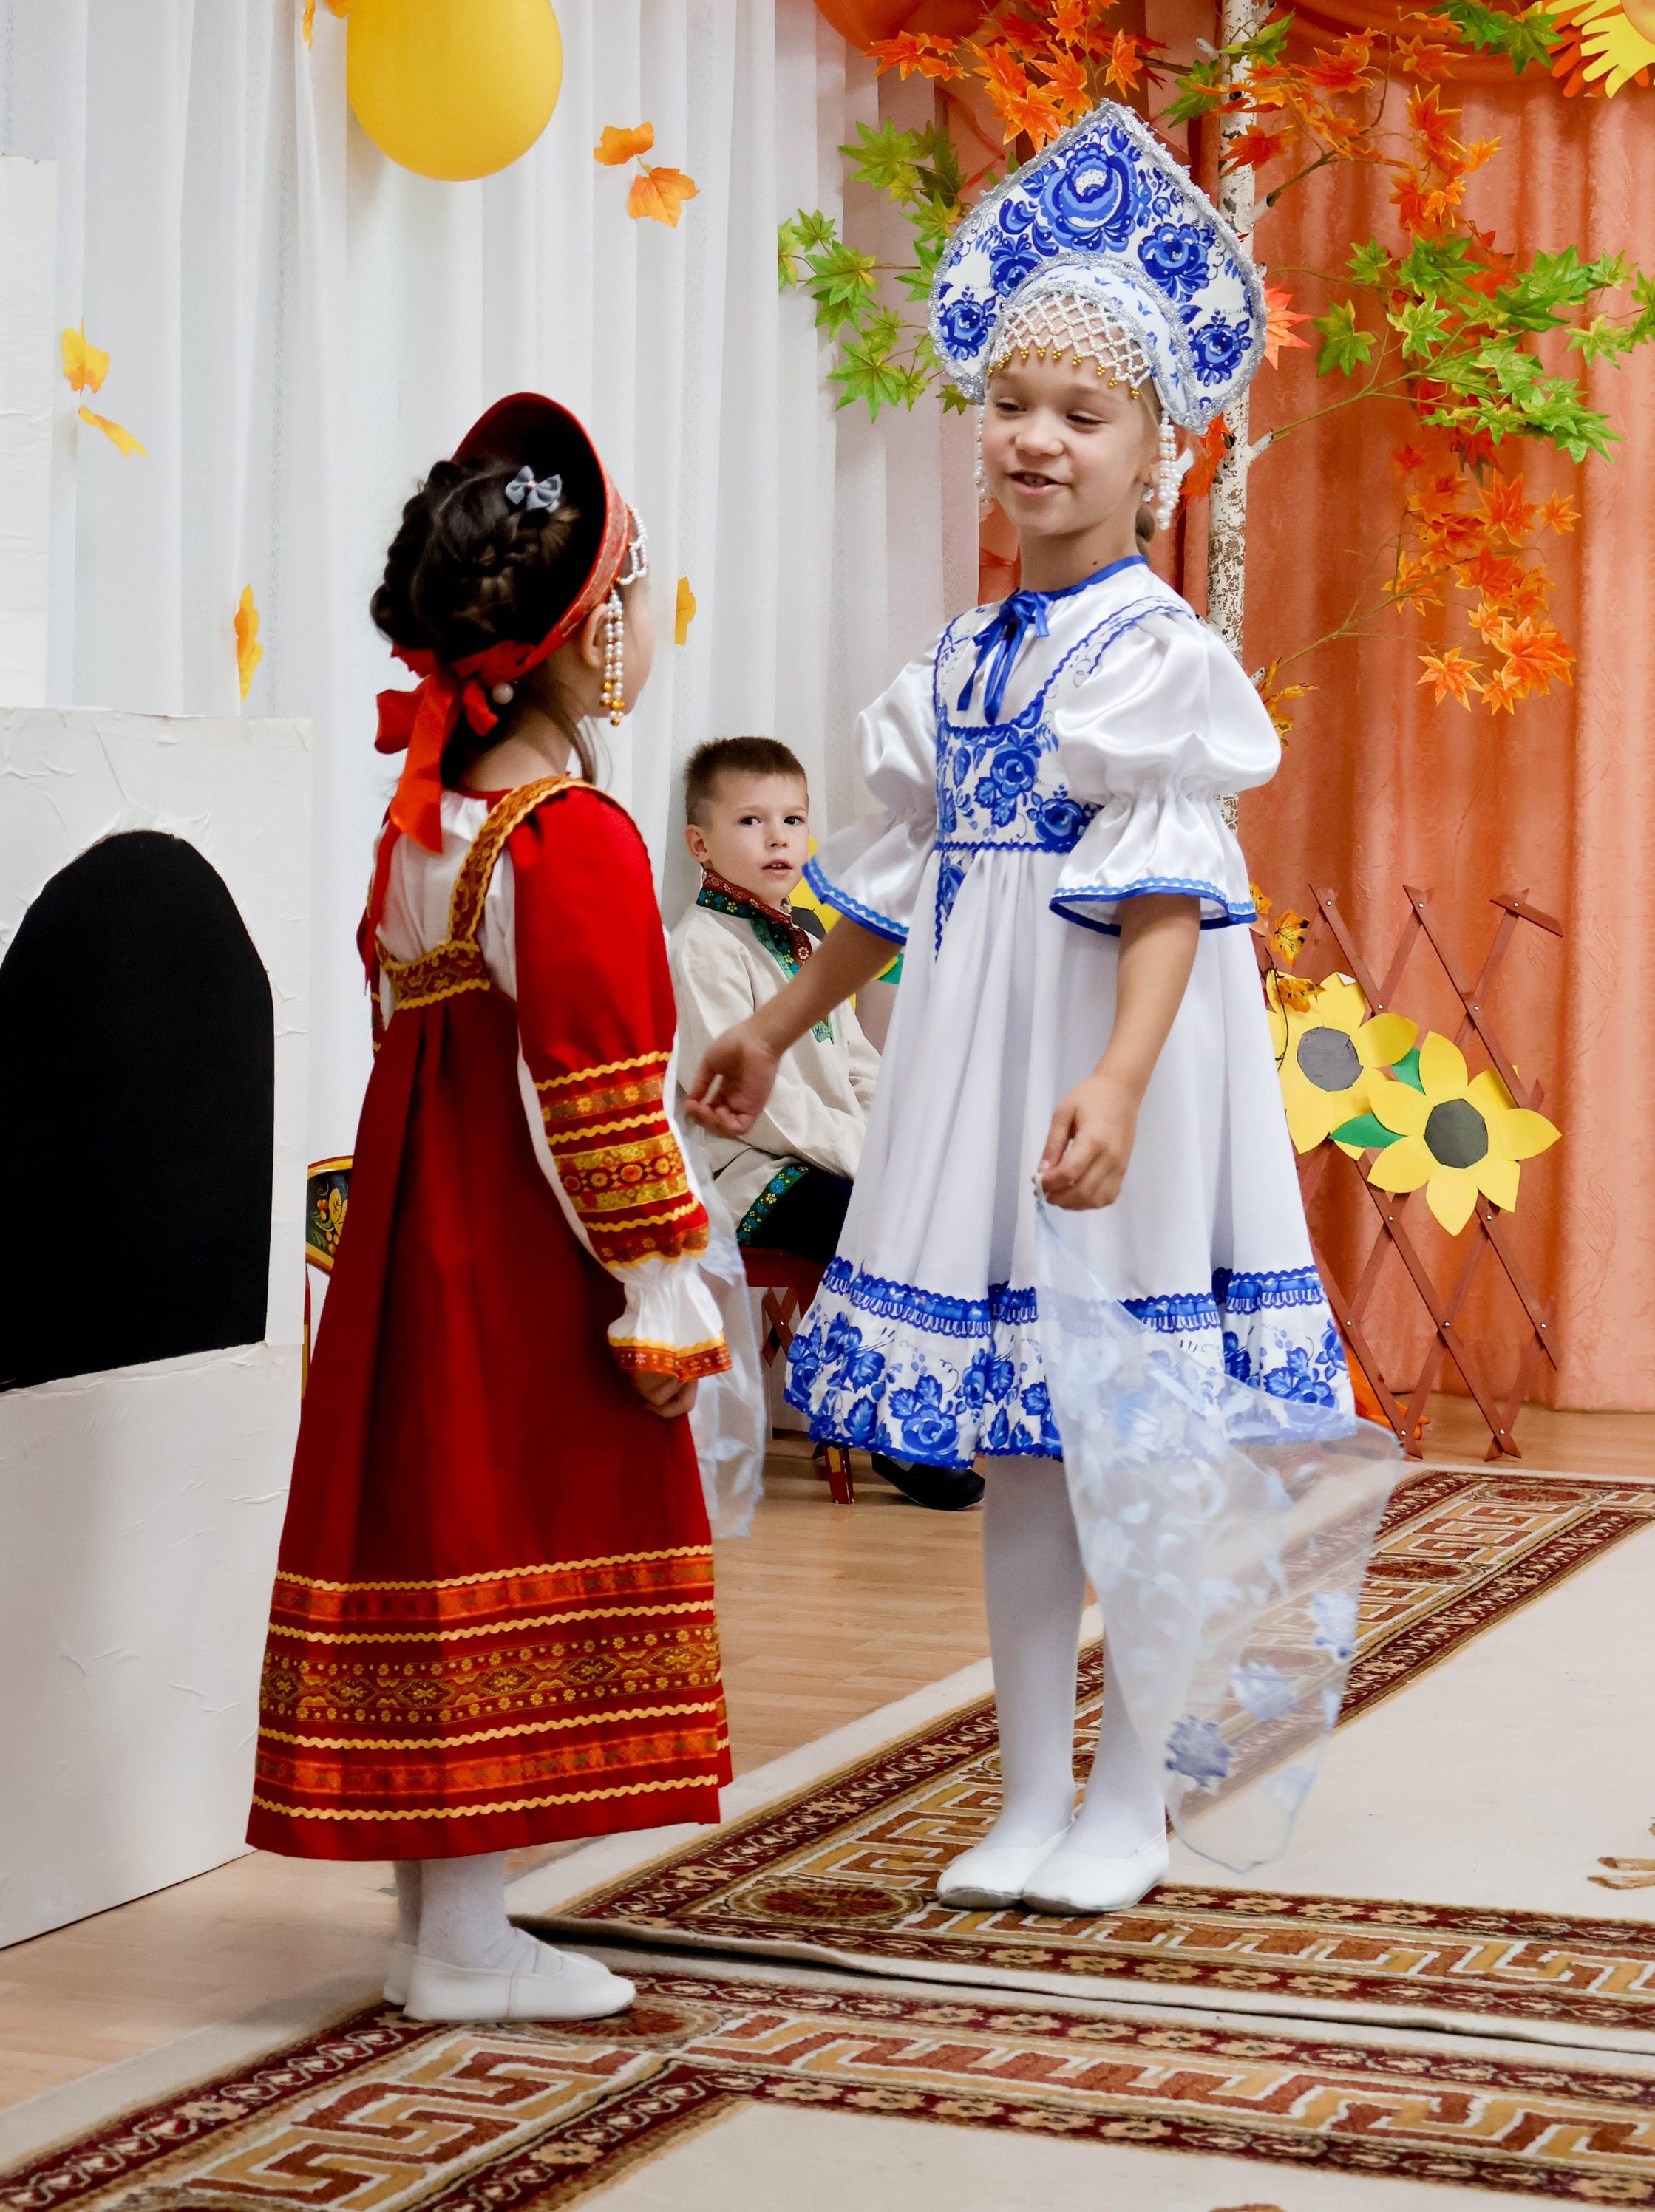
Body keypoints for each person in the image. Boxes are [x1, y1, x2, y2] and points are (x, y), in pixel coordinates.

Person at [688, 102, 1353, 1917]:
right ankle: (1026, 1784)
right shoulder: (955, 664)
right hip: (981, 1070)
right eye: (1011, 404)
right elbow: (894, 888)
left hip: (1114, 1058)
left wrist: (1122, 1078)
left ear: (1154, 450)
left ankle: (1132, 1790)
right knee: (1015, 1438)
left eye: (1083, 412)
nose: (1035, 439)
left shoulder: (1153, 656)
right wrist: (780, 1016)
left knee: (1126, 1422)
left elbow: (1163, 891)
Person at [250, 393, 732, 2022]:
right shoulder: (572, 839)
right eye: (641, 596)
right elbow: (596, 1095)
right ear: (587, 645)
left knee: (438, 1540)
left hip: (416, 1241)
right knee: (507, 1530)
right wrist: (663, 1271)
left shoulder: (428, 822)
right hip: (521, 1264)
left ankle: (440, 1926)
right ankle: (458, 1947)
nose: (653, 626)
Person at [670, 736, 981, 1512]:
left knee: (925, 1206)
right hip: (745, 1172)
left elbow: (856, 1067)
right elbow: (756, 1099)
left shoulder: (808, 944)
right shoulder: (699, 948)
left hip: (825, 1157)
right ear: (699, 844)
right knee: (864, 1219)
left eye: (792, 818)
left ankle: (930, 1411)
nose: (777, 838)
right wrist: (866, 1162)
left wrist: (896, 1144)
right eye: (751, 820)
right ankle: (882, 1427)